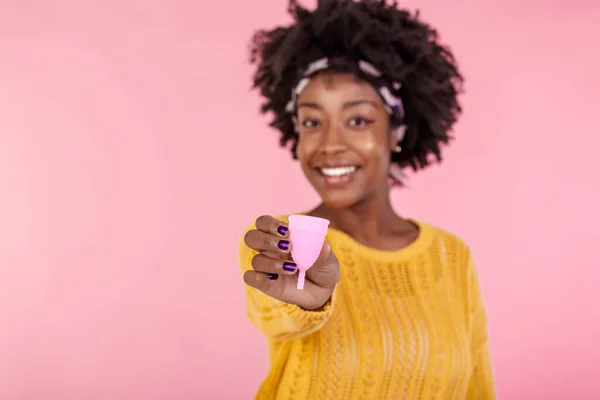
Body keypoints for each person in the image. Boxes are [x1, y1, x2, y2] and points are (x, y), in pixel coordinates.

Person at [239, 0, 495, 398]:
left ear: (396, 131)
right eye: (312, 122)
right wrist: (309, 301)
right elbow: (276, 314)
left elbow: (477, 388)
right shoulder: (281, 242)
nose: (331, 143)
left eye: (358, 120)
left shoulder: (452, 257)